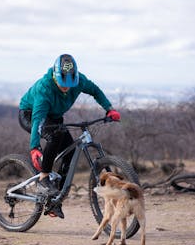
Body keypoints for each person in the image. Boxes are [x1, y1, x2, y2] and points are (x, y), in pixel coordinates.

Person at [19, 54, 121, 218]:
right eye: (62, 84)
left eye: (69, 85)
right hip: (30, 115)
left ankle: (54, 201)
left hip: (54, 117)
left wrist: (109, 108)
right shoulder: (44, 89)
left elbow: (95, 91)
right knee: (55, 136)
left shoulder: (79, 81)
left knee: (70, 153)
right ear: (55, 75)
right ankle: (44, 179)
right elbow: (38, 121)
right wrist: (34, 147)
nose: (66, 88)